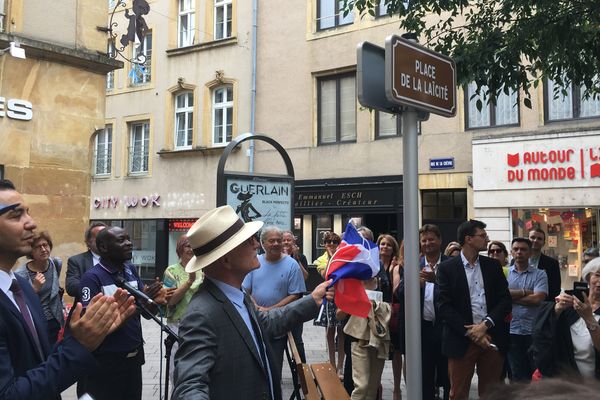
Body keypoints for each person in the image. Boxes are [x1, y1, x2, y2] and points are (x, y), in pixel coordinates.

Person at [171, 205, 334, 400]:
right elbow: (189, 386)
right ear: (226, 260)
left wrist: (313, 299)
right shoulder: (201, 314)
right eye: (249, 240)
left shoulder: (238, 294)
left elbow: (267, 322)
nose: (257, 244)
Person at [0, 179, 136, 400]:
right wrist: (79, 346)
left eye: (28, 213)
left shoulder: (22, 288)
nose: (31, 223)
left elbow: (41, 364)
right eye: (16, 215)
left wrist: (82, 337)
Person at [78, 226, 170, 400]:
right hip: (106, 361)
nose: (129, 243)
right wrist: (140, 303)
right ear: (104, 247)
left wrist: (154, 301)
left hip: (133, 357)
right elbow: (89, 325)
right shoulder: (92, 278)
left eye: (129, 239)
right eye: (121, 240)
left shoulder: (130, 270)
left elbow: (145, 314)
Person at [437, 219, 512, 400]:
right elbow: (444, 306)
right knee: (458, 393)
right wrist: (472, 332)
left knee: (491, 393)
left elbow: (505, 300)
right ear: (468, 239)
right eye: (482, 235)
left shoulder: (493, 266)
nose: (487, 239)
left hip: (492, 336)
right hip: (460, 339)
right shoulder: (447, 268)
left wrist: (485, 325)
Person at [243, 226, 306, 378]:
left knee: (274, 363)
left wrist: (271, 309)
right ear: (263, 243)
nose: (276, 244)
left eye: (279, 240)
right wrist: (256, 306)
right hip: (256, 317)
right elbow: (245, 289)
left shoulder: (291, 264)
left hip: (280, 319)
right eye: (272, 241)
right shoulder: (254, 262)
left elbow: (295, 295)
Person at [398, 224, 450, 400]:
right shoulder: (414, 264)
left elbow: (459, 294)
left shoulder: (451, 264)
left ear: (440, 240)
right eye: (424, 240)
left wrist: (437, 281)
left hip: (446, 329)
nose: (428, 243)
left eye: (431, 239)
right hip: (422, 329)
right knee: (424, 377)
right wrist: (415, 285)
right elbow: (400, 292)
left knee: (448, 376)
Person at [532, 257, 600, 380]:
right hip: (565, 382)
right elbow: (542, 334)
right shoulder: (570, 304)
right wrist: (557, 309)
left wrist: (589, 318)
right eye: (597, 275)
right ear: (588, 278)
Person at [506, 237, 548, 382]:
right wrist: (526, 292)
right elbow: (501, 297)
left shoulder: (540, 274)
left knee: (536, 372)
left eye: (523, 249)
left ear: (530, 253)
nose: (519, 252)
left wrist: (511, 296)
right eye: (516, 249)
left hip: (533, 331)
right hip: (512, 331)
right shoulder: (505, 274)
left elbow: (538, 299)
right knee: (517, 374)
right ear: (511, 252)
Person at [14, 231, 65, 348]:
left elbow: (55, 291)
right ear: (30, 251)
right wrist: (33, 289)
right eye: (38, 247)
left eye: (45, 245)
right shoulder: (21, 274)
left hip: (55, 319)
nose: (43, 249)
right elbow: (18, 304)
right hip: (36, 321)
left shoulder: (56, 263)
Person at [163, 234, 202, 382]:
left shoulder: (203, 269)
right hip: (177, 325)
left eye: (193, 246)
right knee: (177, 369)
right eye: (187, 246)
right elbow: (171, 300)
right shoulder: (171, 271)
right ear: (180, 249)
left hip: (199, 322)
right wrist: (189, 281)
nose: (191, 249)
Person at [313, 231, 345, 378]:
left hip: (342, 297)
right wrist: (332, 256)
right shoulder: (321, 259)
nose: (331, 244)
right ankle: (331, 363)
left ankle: (340, 365)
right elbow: (326, 275)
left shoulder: (343, 257)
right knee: (329, 332)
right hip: (329, 298)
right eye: (328, 242)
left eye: (334, 242)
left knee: (342, 332)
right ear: (324, 244)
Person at [377, 234, 403, 400]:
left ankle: (396, 388)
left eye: (388, 244)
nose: (384, 247)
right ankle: (377, 386)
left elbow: (396, 290)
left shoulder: (396, 267)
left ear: (393, 248)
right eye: (382, 244)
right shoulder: (374, 265)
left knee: (396, 351)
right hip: (377, 314)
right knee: (378, 351)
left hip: (392, 314)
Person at [282, 230, 309, 363]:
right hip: (281, 303)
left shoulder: (300, 257)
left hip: (296, 304)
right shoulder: (277, 258)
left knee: (297, 339)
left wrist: (295, 259)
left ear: (294, 242)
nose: (286, 242)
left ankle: (301, 372)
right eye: (284, 240)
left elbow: (304, 277)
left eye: (289, 240)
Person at [66, 221, 107, 299]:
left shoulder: (118, 260)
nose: (103, 241)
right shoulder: (76, 261)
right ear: (88, 242)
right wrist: (97, 285)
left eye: (106, 237)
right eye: (98, 237)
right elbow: (71, 288)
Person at [528, 228, 561, 300]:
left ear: (543, 243)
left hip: (543, 306)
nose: (535, 240)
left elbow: (555, 290)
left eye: (539, 239)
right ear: (527, 240)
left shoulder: (552, 264)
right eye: (532, 237)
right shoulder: (515, 261)